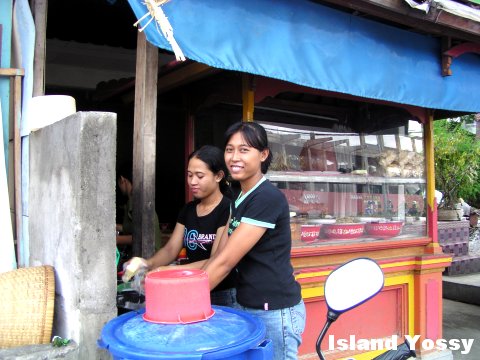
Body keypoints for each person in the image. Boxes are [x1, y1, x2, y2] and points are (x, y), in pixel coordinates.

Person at [199, 122, 305, 360]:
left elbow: (225, 263)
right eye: (229, 149)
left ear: (263, 154)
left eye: (244, 150)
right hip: (247, 306)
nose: (234, 157)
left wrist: (186, 304)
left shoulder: (267, 197)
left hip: (275, 312)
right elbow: (218, 256)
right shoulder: (239, 196)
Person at [124, 145, 236, 306]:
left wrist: (168, 271)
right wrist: (147, 264)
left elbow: (215, 259)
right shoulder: (188, 210)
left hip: (222, 294)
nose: (192, 182)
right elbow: (170, 250)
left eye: (199, 176)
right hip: (191, 288)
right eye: (189, 175)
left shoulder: (228, 210)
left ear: (218, 176)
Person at [116, 163, 163, 252]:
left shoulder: (136, 200)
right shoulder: (138, 197)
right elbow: (132, 227)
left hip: (149, 253)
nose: (119, 187)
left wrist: (117, 239)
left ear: (122, 180)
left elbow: (141, 236)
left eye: (119, 183)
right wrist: (116, 227)